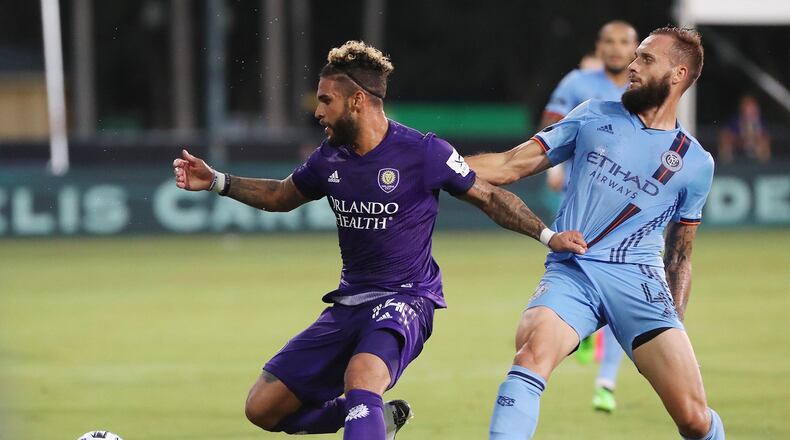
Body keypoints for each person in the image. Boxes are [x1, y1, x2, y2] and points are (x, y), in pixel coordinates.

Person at [172, 41, 585, 440]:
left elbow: (490, 196)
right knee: (262, 409)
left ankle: (365, 414)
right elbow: (282, 195)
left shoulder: (424, 152)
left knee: (362, 376)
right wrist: (218, 182)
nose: (317, 112)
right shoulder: (329, 157)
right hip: (350, 301)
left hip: (407, 298)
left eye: (325, 100)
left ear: (357, 101)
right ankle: (374, 421)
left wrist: (548, 236)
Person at [468, 26, 725, 439]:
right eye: (635, 57)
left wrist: (672, 326)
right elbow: (509, 165)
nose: (631, 66)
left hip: (639, 283)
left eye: (646, 59)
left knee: (694, 420)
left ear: (678, 75)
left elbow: (679, 256)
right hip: (575, 269)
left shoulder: (695, 163)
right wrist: (433, 161)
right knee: (531, 352)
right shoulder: (593, 115)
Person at [541, 20, 639, 413]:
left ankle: (606, 382)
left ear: (636, 48)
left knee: (620, 293)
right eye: (609, 42)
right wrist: (552, 167)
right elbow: (552, 122)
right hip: (578, 206)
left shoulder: (644, 88)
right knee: (577, 279)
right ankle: (583, 329)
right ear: (599, 46)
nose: (616, 49)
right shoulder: (578, 83)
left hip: (625, 213)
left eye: (624, 42)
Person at [718, 94, 771, 163]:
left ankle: (764, 164)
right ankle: (726, 163)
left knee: (763, 143)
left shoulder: (761, 121)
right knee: (724, 137)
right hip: (739, 144)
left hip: (756, 145)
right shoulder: (736, 121)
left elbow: (764, 135)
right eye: (748, 107)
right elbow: (729, 134)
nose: (750, 110)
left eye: (752, 107)